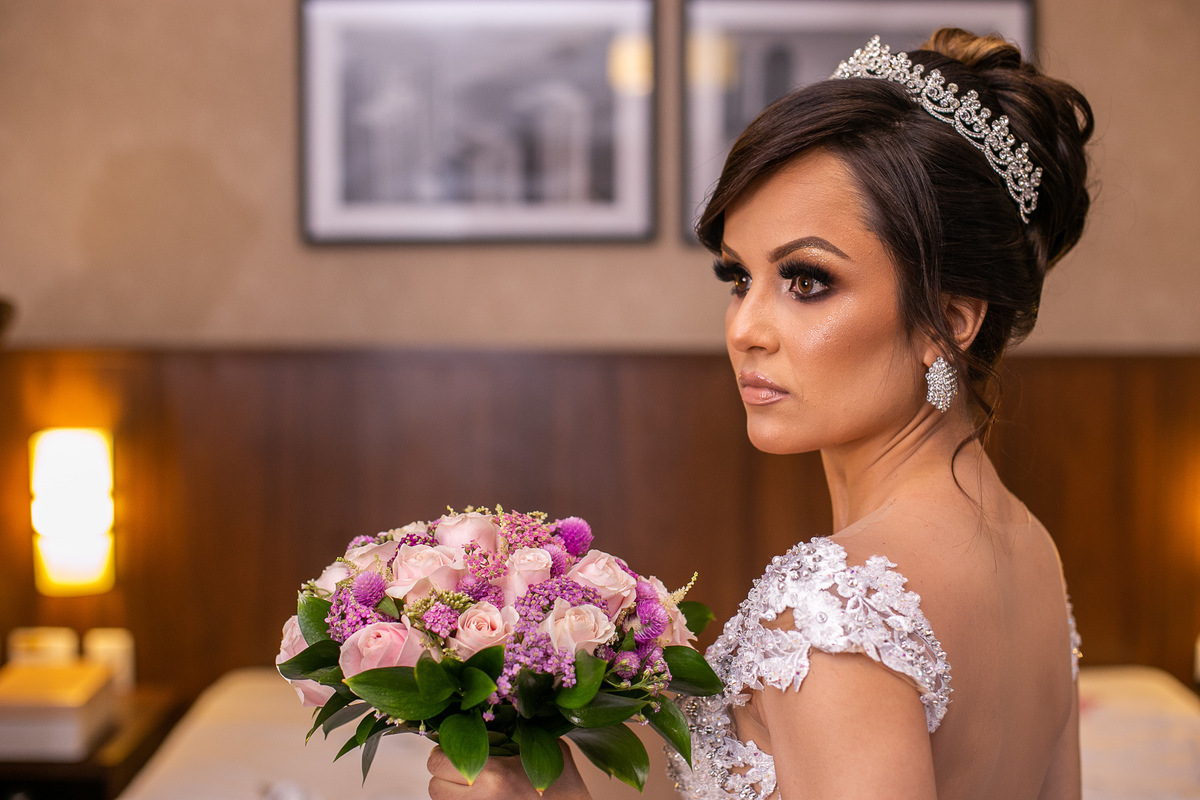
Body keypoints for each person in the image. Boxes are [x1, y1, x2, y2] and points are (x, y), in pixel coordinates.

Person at [428, 27, 1093, 799]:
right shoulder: (1029, 549)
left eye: (808, 280)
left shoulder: (836, 609)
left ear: (948, 319)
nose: (745, 328)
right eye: (739, 277)